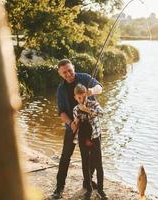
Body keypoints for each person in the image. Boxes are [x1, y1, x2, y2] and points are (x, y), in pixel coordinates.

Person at [52, 59, 103, 199]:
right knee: (65, 157)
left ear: (73, 67)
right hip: (72, 126)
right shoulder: (61, 89)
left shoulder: (85, 77)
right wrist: (70, 123)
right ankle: (59, 188)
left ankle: (87, 182)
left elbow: (100, 88)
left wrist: (91, 91)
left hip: (90, 127)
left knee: (92, 156)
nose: (68, 74)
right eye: (64, 72)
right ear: (60, 73)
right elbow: (61, 111)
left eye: (69, 70)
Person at [72, 84, 107, 200]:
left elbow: (102, 114)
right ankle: (89, 188)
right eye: (79, 97)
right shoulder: (75, 109)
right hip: (83, 139)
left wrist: (87, 109)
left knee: (98, 163)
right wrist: (75, 122)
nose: (82, 99)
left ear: (86, 95)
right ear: (75, 97)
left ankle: (101, 190)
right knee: (85, 163)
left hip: (95, 137)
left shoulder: (93, 104)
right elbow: (75, 127)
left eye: (83, 96)